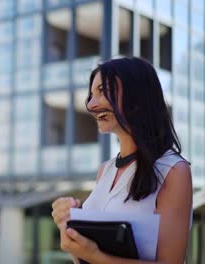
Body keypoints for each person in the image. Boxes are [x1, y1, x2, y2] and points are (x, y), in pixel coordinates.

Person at [51, 57, 192, 263]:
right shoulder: (105, 170)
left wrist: (95, 256)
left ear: (136, 95)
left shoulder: (173, 171)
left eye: (101, 91)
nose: (91, 104)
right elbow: (83, 258)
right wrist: (68, 225)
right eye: (91, 95)